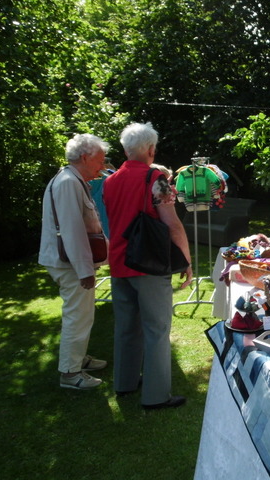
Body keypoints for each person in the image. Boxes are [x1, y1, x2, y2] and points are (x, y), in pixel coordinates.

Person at [103, 122, 193, 410]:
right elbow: (172, 224)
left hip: (119, 262)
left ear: (126, 150)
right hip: (149, 263)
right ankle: (156, 396)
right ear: (151, 149)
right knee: (156, 330)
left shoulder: (109, 180)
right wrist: (186, 261)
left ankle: (125, 383)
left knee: (126, 327)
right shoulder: (156, 178)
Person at [39, 133, 110, 390]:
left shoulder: (73, 180)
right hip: (69, 264)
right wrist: (84, 270)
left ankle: (78, 358)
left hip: (70, 262)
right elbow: (71, 230)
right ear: (85, 157)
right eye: (100, 160)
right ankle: (70, 373)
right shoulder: (68, 182)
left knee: (83, 314)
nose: (102, 166)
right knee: (77, 316)